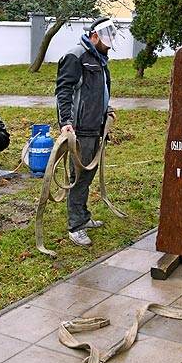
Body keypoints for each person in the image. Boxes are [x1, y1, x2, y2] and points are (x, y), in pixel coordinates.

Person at [55, 17, 118, 247]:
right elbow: (64, 91)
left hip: (94, 127)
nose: (109, 46)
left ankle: (83, 215)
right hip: (79, 129)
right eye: (107, 42)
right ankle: (75, 226)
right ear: (95, 37)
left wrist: (106, 109)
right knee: (79, 176)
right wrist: (66, 122)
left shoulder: (98, 58)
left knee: (88, 175)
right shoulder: (76, 56)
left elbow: (97, 91)